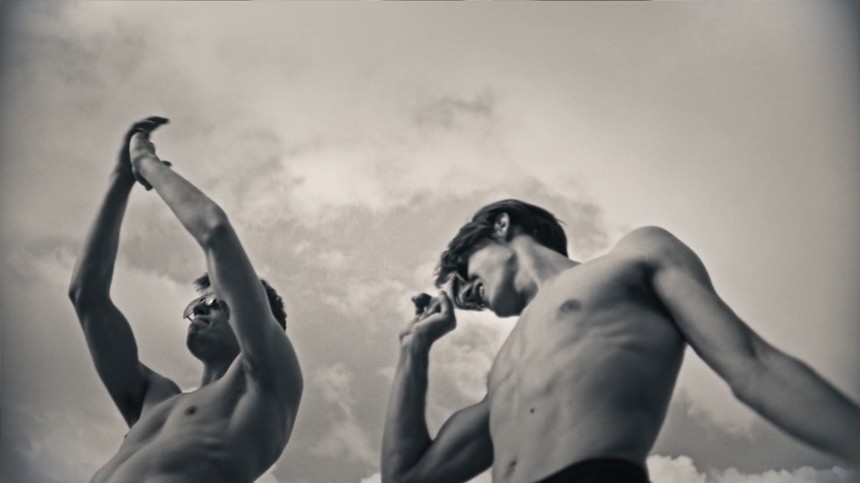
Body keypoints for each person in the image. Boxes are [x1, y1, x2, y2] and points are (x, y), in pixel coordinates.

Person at [382, 199, 860, 482]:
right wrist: (414, 347)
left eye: (465, 273)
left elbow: (753, 365)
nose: (465, 295)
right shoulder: (506, 369)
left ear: (501, 226)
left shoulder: (631, 257)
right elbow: (406, 477)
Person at [68, 117, 302, 483]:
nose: (201, 311)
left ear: (251, 317)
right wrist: (120, 180)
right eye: (198, 306)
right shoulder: (154, 398)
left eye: (216, 304)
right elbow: (87, 296)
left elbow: (216, 232)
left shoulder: (266, 380)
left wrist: (146, 163)